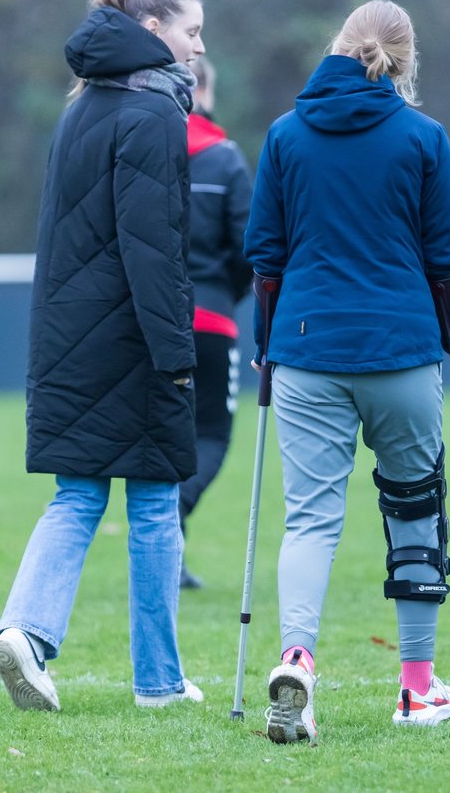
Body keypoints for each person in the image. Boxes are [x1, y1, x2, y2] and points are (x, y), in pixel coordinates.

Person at [244, 0, 450, 742]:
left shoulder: (285, 135)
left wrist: (266, 343)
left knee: (310, 519)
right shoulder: (424, 137)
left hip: (306, 351)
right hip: (402, 350)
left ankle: (298, 662)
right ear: (404, 63)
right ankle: (416, 690)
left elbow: (267, 257)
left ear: (338, 46)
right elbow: (447, 261)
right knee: (414, 508)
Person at [0, 0, 205, 712]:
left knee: (77, 493)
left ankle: (25, 630)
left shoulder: (82, 107)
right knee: (153, 499)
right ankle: (158, 682)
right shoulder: (153, 115)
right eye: (191, 32)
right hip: (134, 342)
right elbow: (154, 249)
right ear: (153, 31)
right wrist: (178, 355)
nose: (198, 48)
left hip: (68, 335)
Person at [177, 56, 253, 589]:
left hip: (142, 324)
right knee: (210, 436)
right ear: (202, 90)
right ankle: (171, 519)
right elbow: (252, 249)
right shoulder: (225, 160)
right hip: (209, 321)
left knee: (157, 437)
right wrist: (225, 294)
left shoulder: (137, 153)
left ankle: (162, 544)